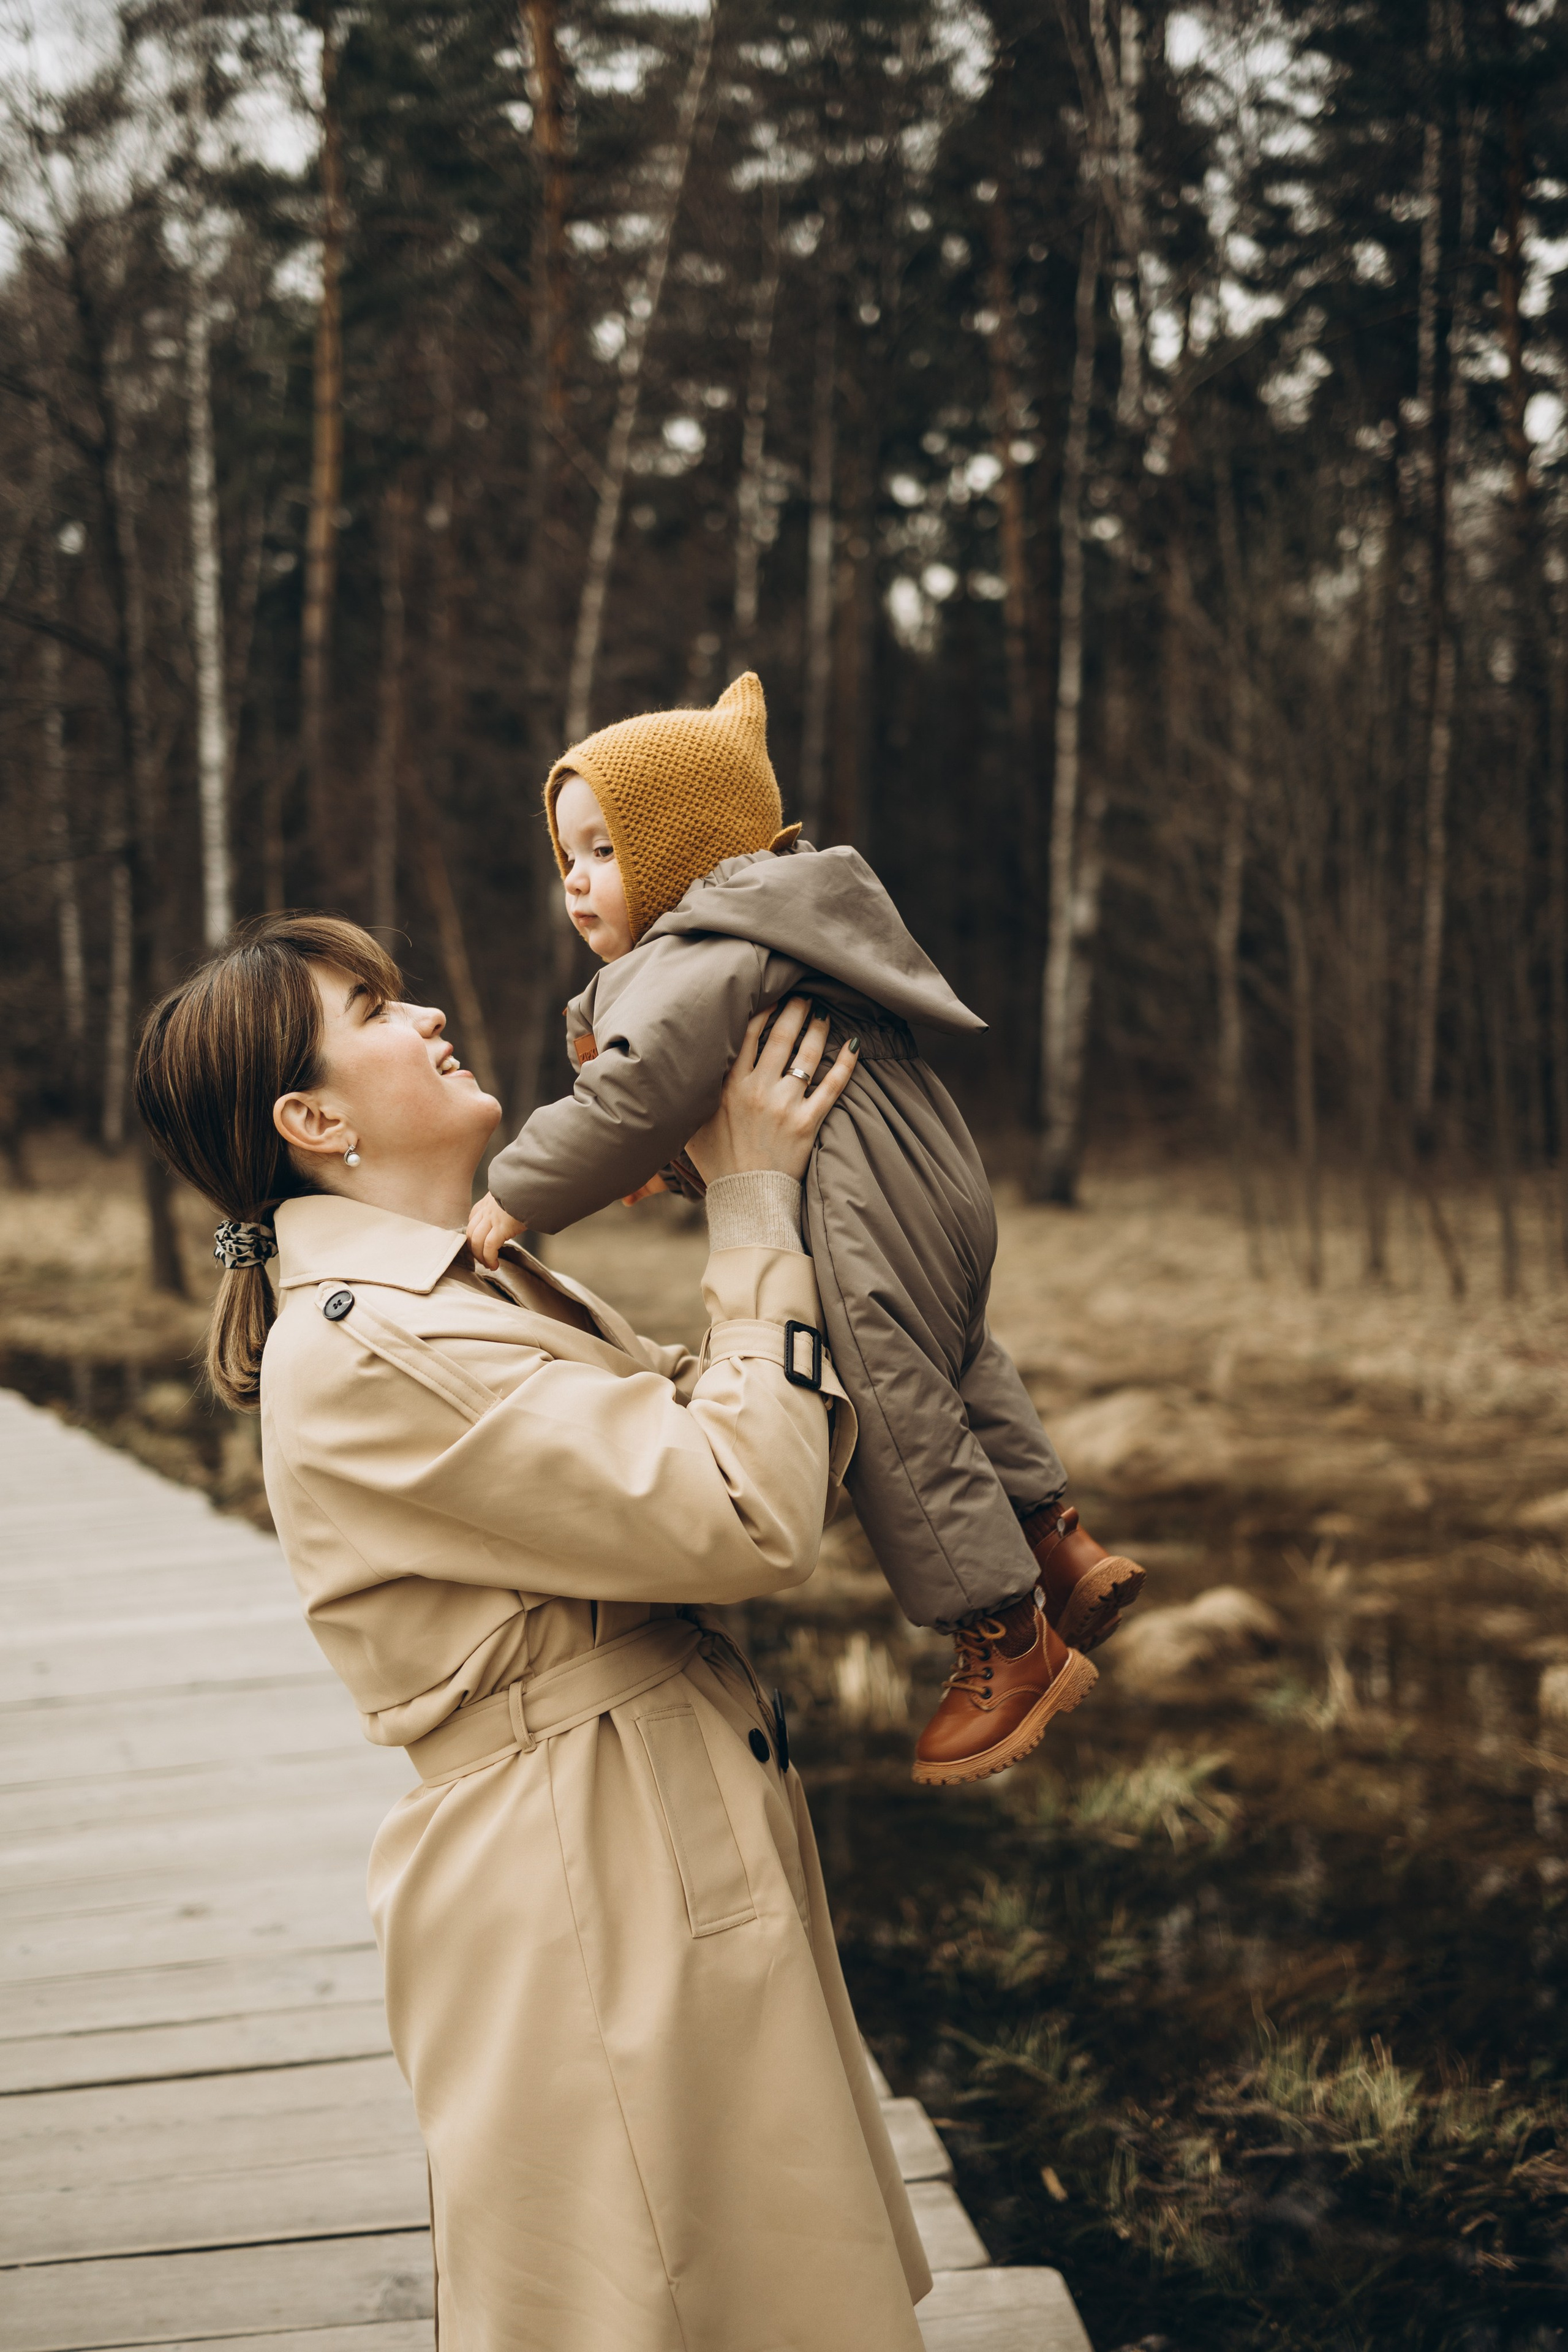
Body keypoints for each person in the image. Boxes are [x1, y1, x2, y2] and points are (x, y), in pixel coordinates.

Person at [133, 912, 932, 2352]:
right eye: (372, 1008)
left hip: (627, 1830)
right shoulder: (379, 1342)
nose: (424, 1013)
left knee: (747, 2289)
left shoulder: (471, 1282)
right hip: (581, 1878)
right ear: (310, 1117)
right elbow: (743, 1512)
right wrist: (751, 1206)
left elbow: (698, 1441)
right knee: (661, 2302)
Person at [467, 673, 1147, 1787]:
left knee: (887, 1402)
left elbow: (632, 1096)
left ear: (680, 846)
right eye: (565, 860)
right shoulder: (788, 923)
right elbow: (701, 1098)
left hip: (857, 1203)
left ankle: (1004, 1641)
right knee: (956, 1356)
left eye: (601, 851)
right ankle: (1058, 1543)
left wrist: (519, 1192)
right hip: (937, 1180)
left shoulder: (697, 949)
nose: (575, 885)